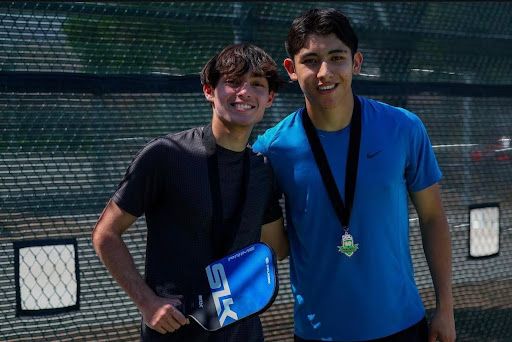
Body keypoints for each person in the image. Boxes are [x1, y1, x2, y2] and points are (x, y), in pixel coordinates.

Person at [253, 8, 456, 342]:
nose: (324, 72)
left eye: (336, 57)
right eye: (311, 60)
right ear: (291, 69)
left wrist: (445, 308)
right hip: (318, 334)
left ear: (356, 63)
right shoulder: (271, 150)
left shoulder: (403, 127)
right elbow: (276, 246)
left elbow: (433, 217)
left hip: (403, 326)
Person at [92, 43, 287, 342]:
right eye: (233, 82)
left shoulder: (263, 170)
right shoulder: (167, 155)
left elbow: (277, 248)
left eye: (257, 85)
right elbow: (105, 234)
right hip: (173, 332)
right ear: (209, 91)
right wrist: (147, 303)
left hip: (244, 334)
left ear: (269, 98)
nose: (245, 92)